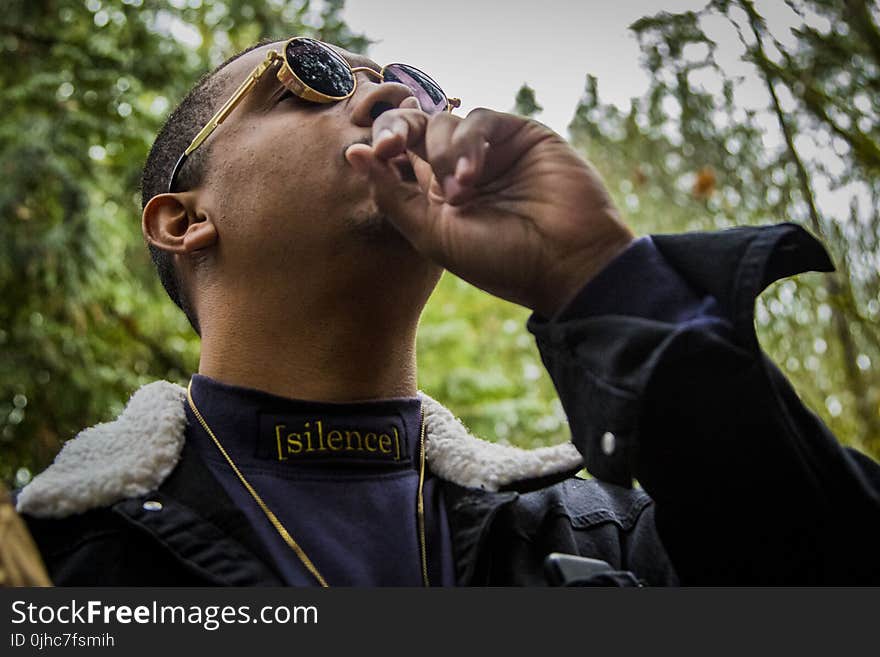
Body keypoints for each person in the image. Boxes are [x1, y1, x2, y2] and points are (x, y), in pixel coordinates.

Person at [16, 37, 880, 586]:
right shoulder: (53, 564)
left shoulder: (612, 534)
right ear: (185, 218)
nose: (392, 98)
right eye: (311, 78)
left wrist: (599, 274)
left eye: (413, 84)